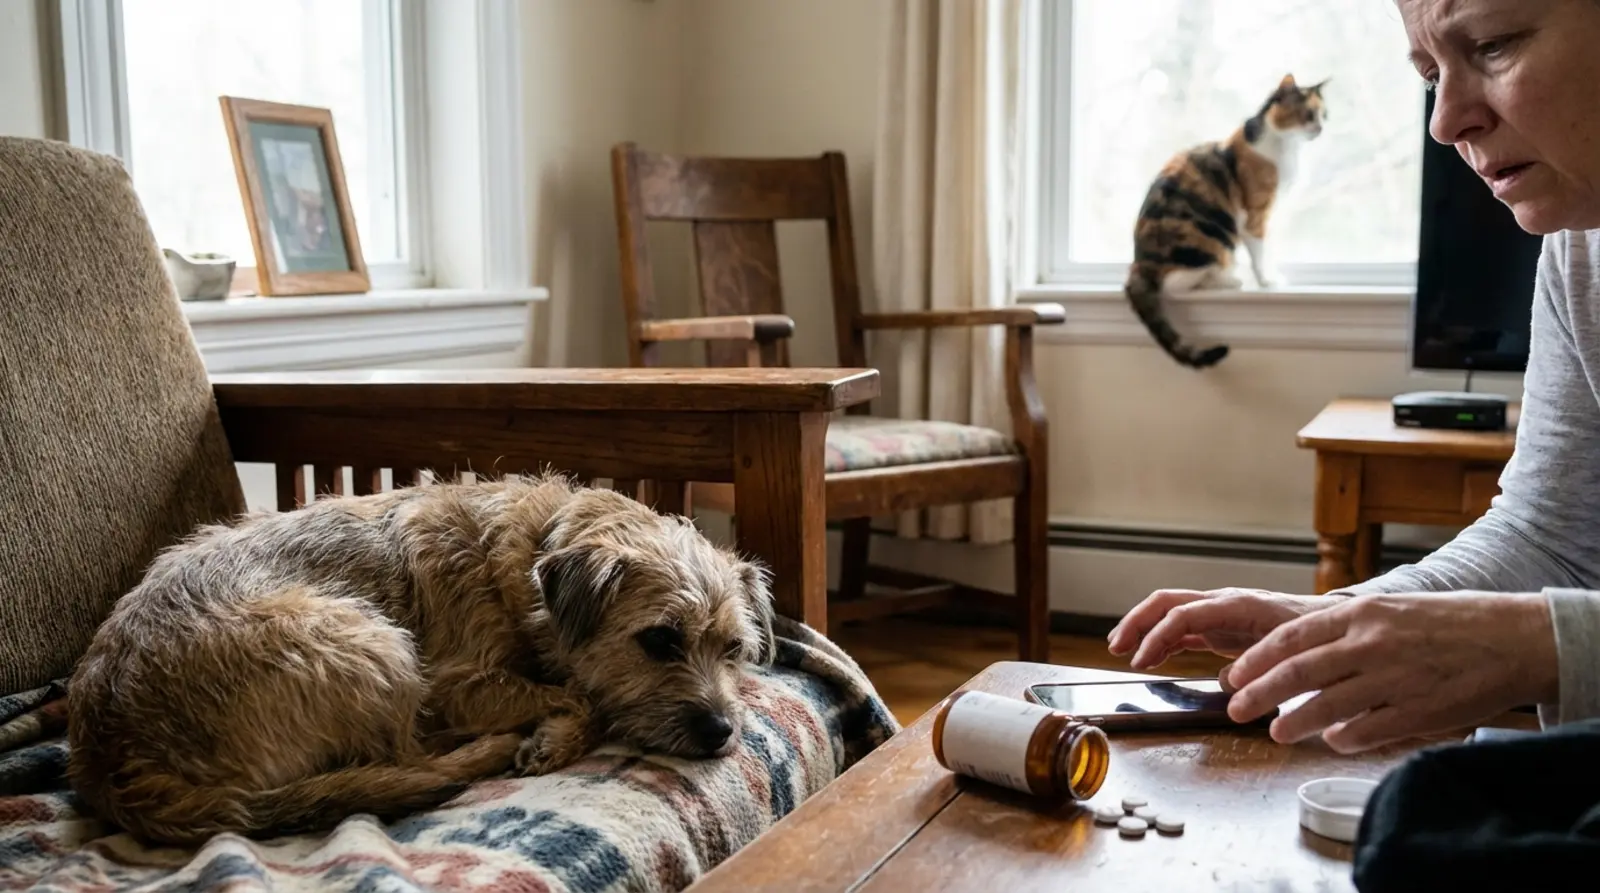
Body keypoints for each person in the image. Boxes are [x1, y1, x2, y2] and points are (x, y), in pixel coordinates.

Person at [1106, 0, 1600, 756]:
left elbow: (1547, 615)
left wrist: (1539, 648)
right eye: (1430, 73)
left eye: (1494, 46)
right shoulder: (1576, 248)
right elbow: (1551, 537)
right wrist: (1340, 619)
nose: (1444, 122)